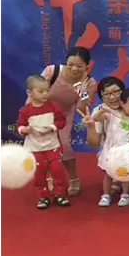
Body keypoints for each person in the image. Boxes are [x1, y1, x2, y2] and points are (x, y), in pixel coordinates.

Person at [34, 47, 96, 197]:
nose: (74, 69)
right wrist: (28, 114)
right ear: (66, 62)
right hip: (44, 112)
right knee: (46, 146)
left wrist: (81, 88)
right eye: (70, 64)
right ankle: (50, 178)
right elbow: (35, 92)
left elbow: (80, 107)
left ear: (87, 65)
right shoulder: (52, 71)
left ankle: (73, 178)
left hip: (64, 114)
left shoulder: (89, 82)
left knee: (65, 145)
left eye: (79, 66)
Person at [16, 75, 70, 209]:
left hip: (53, 145)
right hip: (34, 148)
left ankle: (59, 194)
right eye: (41, 91)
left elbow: (61, 121)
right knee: (39, 173)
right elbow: (20, 125)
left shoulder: (53, 106)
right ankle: (43, 195)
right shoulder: (25, 110)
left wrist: (51, 128)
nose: (45, 94)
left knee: (57, 169)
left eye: (47, 90)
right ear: (29, 93)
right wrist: (25, 129)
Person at [86, 88, 129, 207]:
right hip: (111, 150)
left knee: (126, 173)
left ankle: (125, 194)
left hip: (125, 151)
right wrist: (101, 111)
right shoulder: (112, 113)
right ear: (122, 103)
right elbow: (95, 118)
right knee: (108, 174)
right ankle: (106, 195)